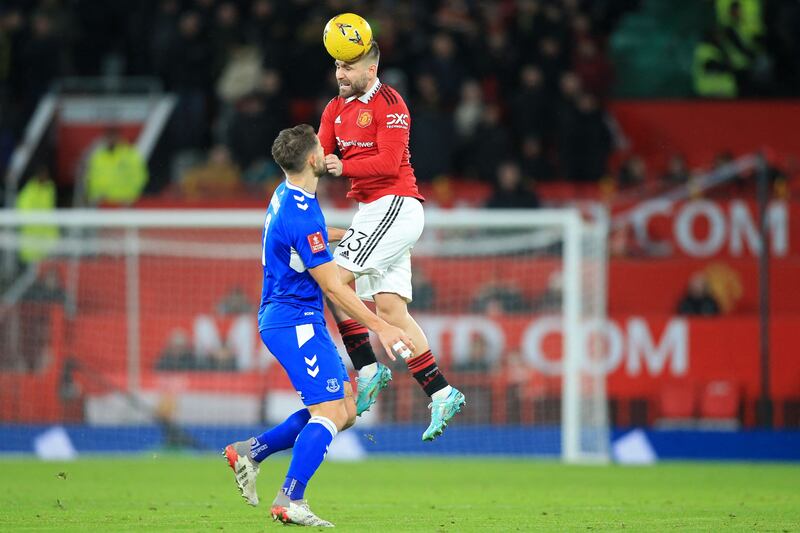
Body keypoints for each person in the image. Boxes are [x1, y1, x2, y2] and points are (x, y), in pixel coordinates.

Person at [223, 124, 413, 527]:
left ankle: (252, 451)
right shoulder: (300, 210)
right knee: (330, 409)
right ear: (312, 159)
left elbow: (311, 236)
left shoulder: (289, 195)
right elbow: (334, 287)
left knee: (343, 410)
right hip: (294, 321)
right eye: (322, 149)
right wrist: (383, 327)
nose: (328, 152)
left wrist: (352, 236)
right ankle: (291, 498)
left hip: (294, 318)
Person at [318, 42, 466, 441]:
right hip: (372, 211)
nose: (340, 74)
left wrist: (342, 165)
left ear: (372, 68)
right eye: (337, 66)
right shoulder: (334, 109)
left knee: (333, 281)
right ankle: (441, 391)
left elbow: (388, 161)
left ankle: (366, 367)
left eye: (349, 67)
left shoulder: (391, 104)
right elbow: (318, 156)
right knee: (391, 310)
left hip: (396, 204)